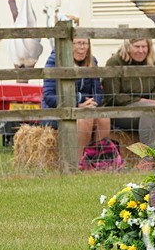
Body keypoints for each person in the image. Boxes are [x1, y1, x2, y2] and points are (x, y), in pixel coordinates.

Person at [40, 23, 111, 157]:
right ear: (69, 44)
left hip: (87, 108)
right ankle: (77, 161)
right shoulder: (54, 61)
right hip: (57, 111)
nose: (82, 48)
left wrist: (93, 102)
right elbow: (49, 97)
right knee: (86, 118)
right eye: (78, 43)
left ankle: (98, 159)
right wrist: (78, 102)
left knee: (104, 119)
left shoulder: (92, 61)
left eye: (84, 43)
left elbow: (98, 91)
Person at [101, 38, 155, 149]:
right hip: (121, 111)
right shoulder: (114, 62)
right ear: (128, 47)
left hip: (151, 105)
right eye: (137, 46)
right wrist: (140, 101)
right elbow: (112, 97)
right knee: (150, 109)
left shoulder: (151, 60)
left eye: (144, 47)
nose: (141, 50)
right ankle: (149, 154)